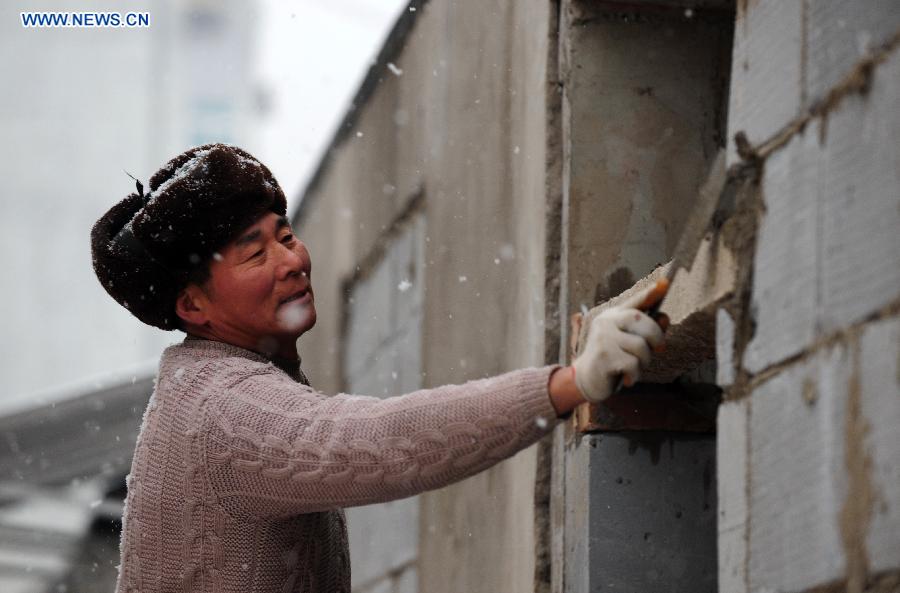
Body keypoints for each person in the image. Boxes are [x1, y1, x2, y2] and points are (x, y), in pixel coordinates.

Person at [91, 143, 665, 593]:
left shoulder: (209, 384)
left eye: (286, 237)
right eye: (255, 253)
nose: (291, 262)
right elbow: (378, 441)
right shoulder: (223, 408)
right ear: (193, 306)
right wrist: (570, 384)